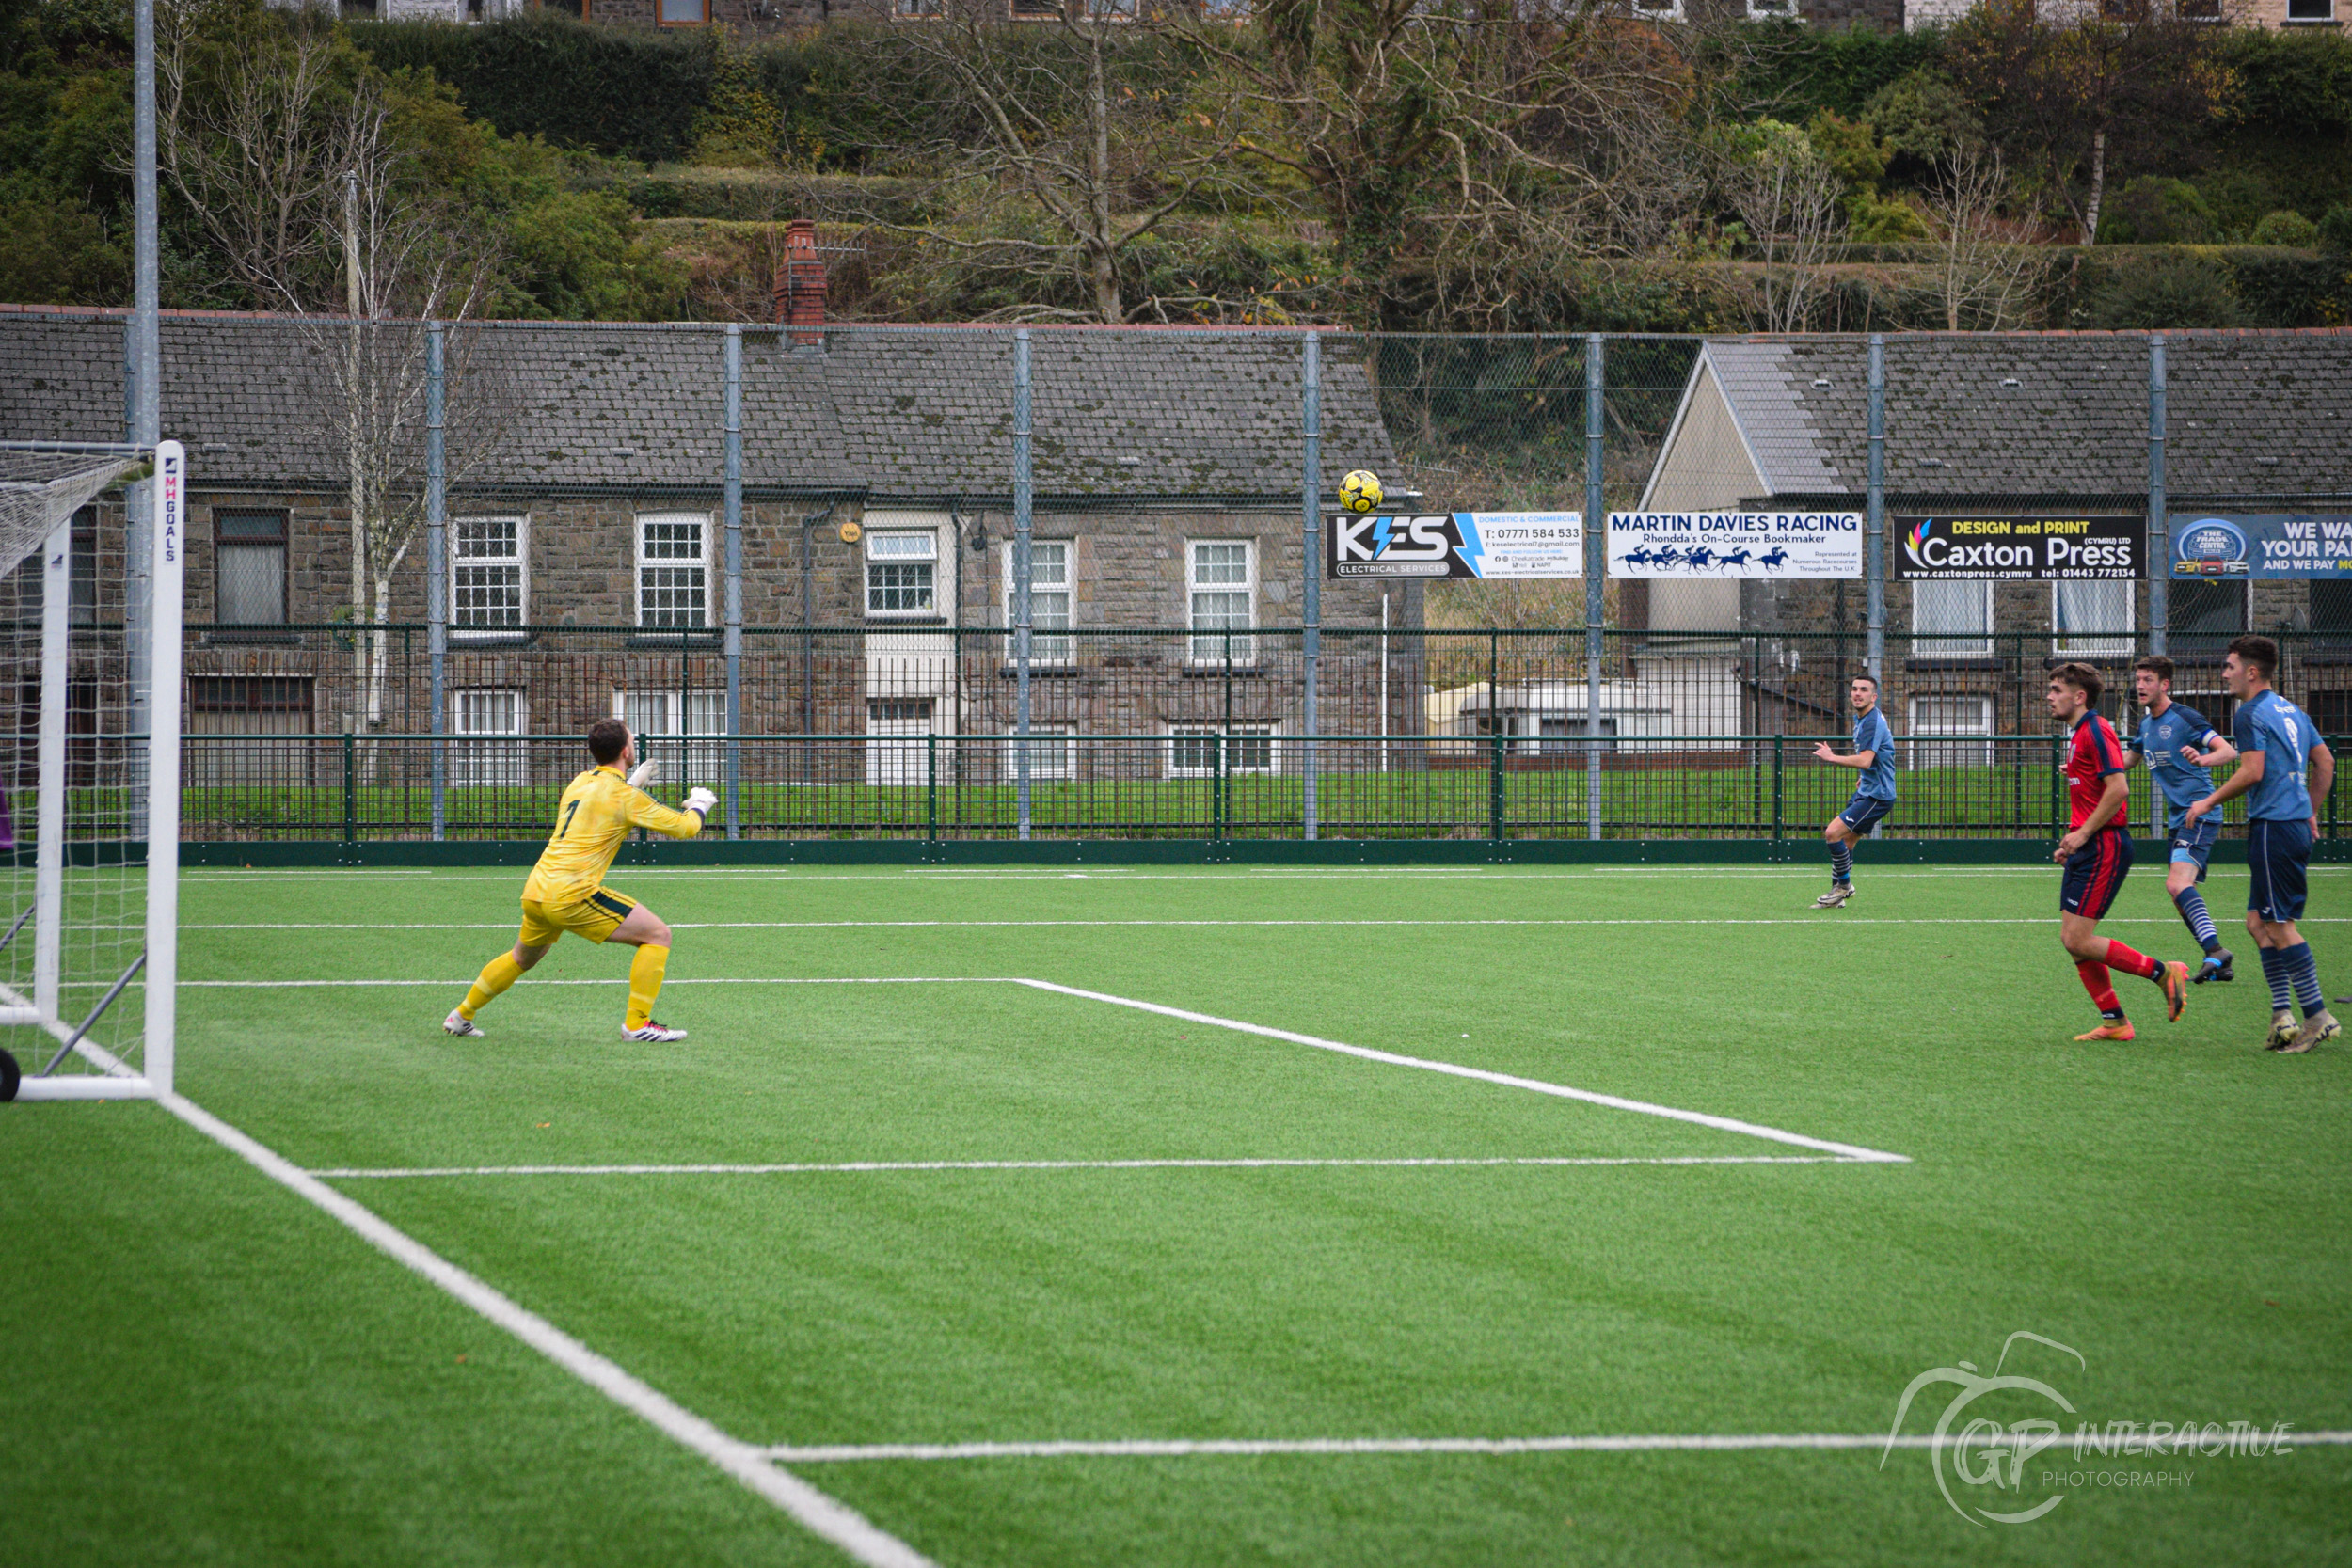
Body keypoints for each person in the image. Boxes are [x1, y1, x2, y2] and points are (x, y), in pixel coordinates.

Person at [444, 718, 716, 1043]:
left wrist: (634, 783)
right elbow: (685, 828)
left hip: (538, 889)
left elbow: (607, 802)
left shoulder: (581, 782)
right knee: (658, 936)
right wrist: (700, 804)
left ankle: (461, 1015)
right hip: (573, 893)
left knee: (520, 957)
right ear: (627, 750)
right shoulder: (623, 796)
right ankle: (637, 1024)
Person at [2182, 636, 2337, 1053]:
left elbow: (2252, 771)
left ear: (2252, 672)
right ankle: (2281, 1017)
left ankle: (2318, 1016)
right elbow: (2326, 762)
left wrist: (2208, 800)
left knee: (2281, 926)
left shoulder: (2250, 712)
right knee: (2258, 923)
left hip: (2274, 829)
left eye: (2229, 665)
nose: (2224, 672)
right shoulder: (2292, 709)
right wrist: (2310, 810)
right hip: (2289, 827)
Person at [2048, 662, 2189, 1042]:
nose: (2049, 696)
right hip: (2087, 843)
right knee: (2071, 939)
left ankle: (2163, 972)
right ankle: (2115, 1022)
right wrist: (2074, 838)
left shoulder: (2097, 730)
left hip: (2105, 844)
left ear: (2079, 697)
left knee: (2079, 938)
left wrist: (2084, 835)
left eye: (2057, 689)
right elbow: (2094, 793)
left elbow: (2119, 789)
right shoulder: (2079, 733)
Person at [2126, 655, 2233, 984]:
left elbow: (2228, 752)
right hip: (2180, 818)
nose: (2140, 685)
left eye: (2147, 680)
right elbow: (2126, 760)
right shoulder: (2146, 725)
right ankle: (2218, 959)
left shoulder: (2185, 718)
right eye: (2138, 679)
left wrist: (2202, 760)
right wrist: (2083, 766)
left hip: (2200, 813)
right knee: (2178, 894)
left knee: (2176, 884)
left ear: (2164, 684)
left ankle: (2217, 952)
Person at [1810, 673, 1897, 909]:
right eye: (1855, 689)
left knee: (1832, 833)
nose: (1858, 693)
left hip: (1877, 796)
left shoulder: (1872, 721)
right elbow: (1881, 755)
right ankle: (1836, 896)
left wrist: (1832, 757)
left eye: (1864, 690)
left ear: (1874, 696)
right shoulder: (1862, 718)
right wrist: (1864, 776)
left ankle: (1844, 887)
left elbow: (1867, 760)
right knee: (1846, 843)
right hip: (1869, 788)